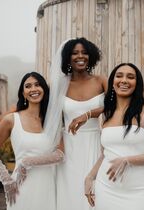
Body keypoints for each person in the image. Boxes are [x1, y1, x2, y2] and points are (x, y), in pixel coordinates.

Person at [84, 63, 144, 210]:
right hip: (106, 188)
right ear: (112, 83)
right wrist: (90, 177)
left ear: (137, 84)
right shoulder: (105, 115)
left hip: (139, 190)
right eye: (119, 76)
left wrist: (127, 160)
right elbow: (104, 153)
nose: (124, 80)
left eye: (130, 77)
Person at [0, 72, 64, 210]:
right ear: (23, 93)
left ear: (44, 90)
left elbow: (60, 155)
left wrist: (29, 162)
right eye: (28, 86)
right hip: (20, 186)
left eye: (37, 85)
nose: (33, 89)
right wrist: (6, 180)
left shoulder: (53, 122)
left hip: (48, 187)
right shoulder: (11, 119)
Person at [50, 37, 107, 210]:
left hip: (96, 144)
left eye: (84, 52)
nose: (80, 56)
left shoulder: (101, 81)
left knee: (96, 193)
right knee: (71, 195)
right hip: (69, 148)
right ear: (67, 57)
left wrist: (88, 114)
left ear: (91, 56)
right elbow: (53, 121)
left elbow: (117, 105)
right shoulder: (59, 85)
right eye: (74, 53)